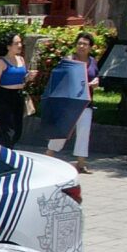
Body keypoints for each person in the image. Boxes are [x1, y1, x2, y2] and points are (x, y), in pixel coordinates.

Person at [39, 37, 99, 173]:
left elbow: (95, 76)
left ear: (90, 47)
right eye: (79, 43)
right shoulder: (69, 60)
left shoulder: (93, 62)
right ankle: (49, 155)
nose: (82, 46)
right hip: (69, 102)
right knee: (63, 128)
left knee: (84, 131)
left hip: (86, 102)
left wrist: (95, 82)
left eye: (85, 44)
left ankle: (81, 163)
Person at [0, 35, 31, 148]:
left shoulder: (21, 60)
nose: (20, 46)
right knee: (7, 131)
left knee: (17, 131)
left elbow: (22, 80)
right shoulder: (0, 62)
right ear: (8, 46)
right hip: (4, 97)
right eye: (16, 43)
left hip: (18, 95)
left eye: (20, 43)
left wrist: (28, 78)